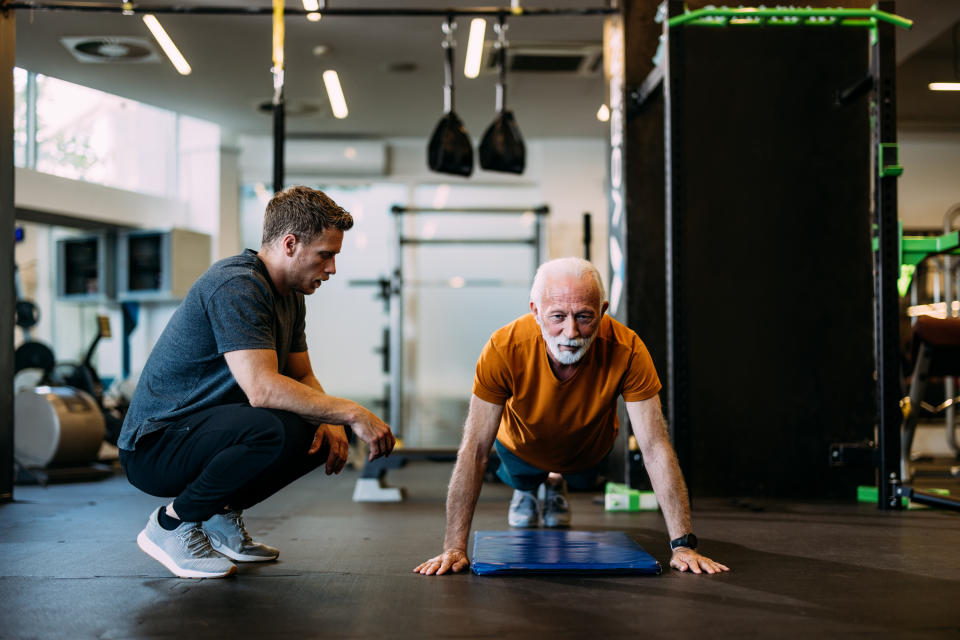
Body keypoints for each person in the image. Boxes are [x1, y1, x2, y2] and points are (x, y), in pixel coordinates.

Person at [118, 186, 395, 579]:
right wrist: (350, 411)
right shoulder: (237, 284)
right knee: (272, 426)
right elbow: (261, 388)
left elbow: (301, 374)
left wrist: (332, 420)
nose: (332, 268)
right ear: (290, 244)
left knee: (319, 433)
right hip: (154, 446)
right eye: (325, 255)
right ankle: (171, 524)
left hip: (202, 431)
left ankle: (219, 517)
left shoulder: (291, 296)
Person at [414, 257, 728, 576]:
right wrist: (453, 547)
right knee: (523, 478)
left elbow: (655, 448)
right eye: (558, 317)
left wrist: (683, 544)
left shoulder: (628, 350)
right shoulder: (503, 348)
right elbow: (475, 449)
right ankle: (530, 488)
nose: (571, 331)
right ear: (536, 311)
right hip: (522, 448)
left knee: (582, 481)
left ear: (603, 311)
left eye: (584, 317)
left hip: (587, 453)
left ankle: (556, 482)